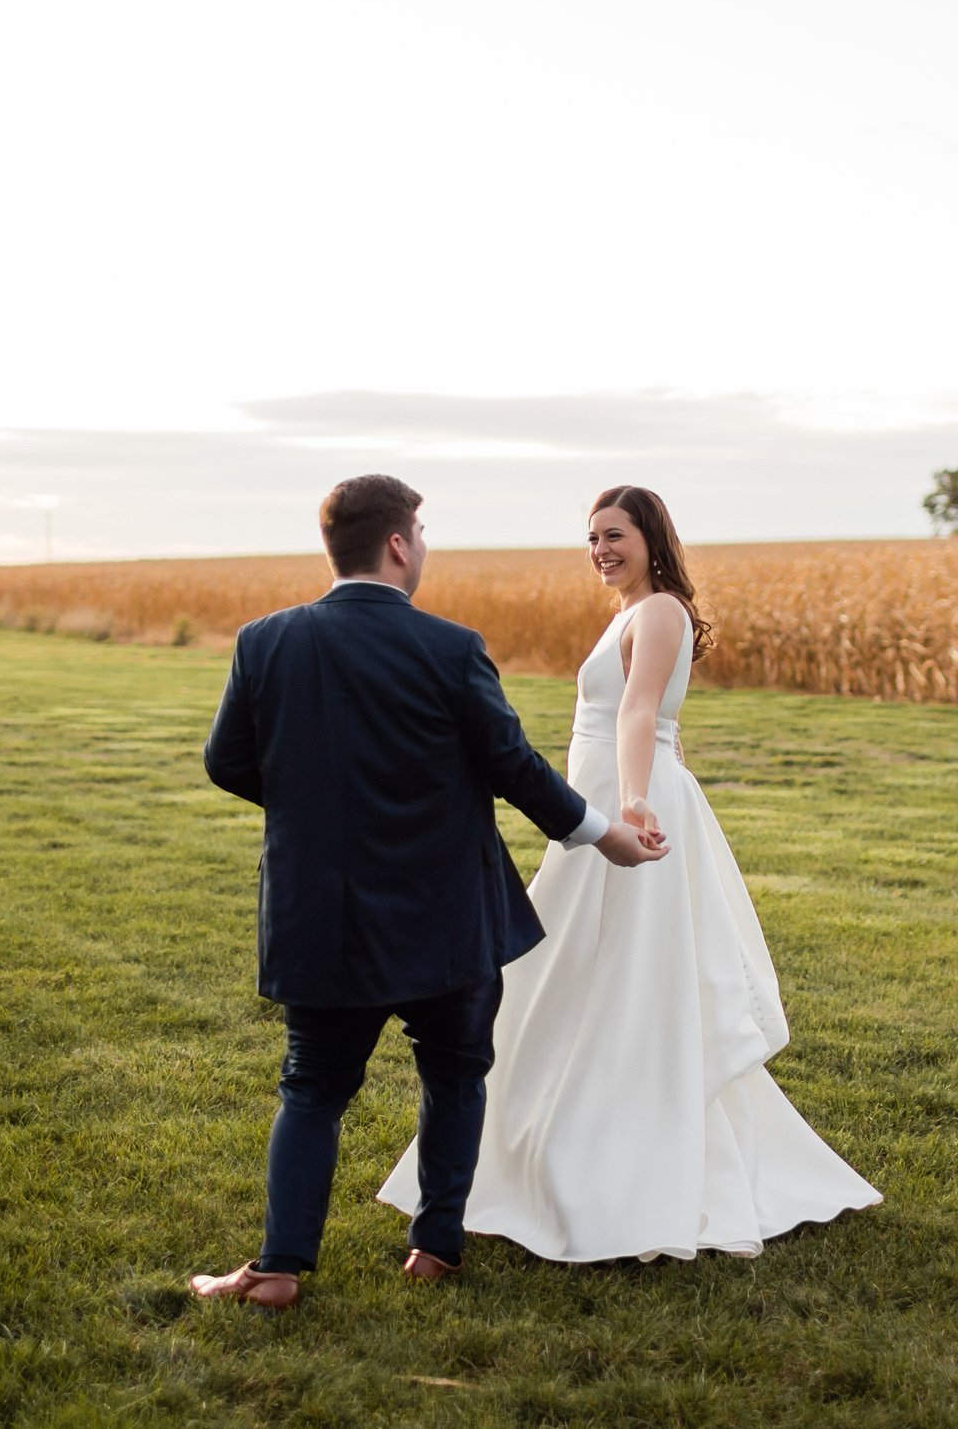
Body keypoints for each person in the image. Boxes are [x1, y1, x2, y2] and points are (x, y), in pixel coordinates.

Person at [191, 475, 669, 1309]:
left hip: (323, 913)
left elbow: (226, 762)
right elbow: (512, 765)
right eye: (422, 530)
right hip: (448, 910)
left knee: (312, 1086)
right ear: (400, 544)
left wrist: (318, 805)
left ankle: (277, 1267)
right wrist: (601, 833)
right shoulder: (451, 647)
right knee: (454, 1075)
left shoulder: (263, 641)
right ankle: (435, 1247)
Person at [377, 484, 879, 1260]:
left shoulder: (660, 611)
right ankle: (545, 1149)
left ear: (651, 537)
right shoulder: (630, 613)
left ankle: (611, 1162)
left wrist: (635, 799)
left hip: (626, 811)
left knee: (618, 977)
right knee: (571, 971)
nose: (600, 550)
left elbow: (640, 712)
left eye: (614, 534)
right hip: (598, 810)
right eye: (591, 539)